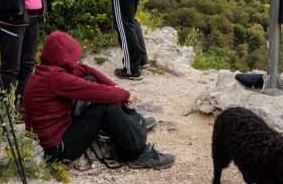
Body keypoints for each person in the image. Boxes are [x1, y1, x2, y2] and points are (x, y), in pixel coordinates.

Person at [24, 31, 175, 169]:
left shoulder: (48, 70)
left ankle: (131, 126)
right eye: (72, 58)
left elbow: (86, 70)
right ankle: (136, 154)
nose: (75, 61)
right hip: (58, 150)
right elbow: (102, 94)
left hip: (55, 137)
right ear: (62, 58)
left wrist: (114, 86)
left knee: (91, 80)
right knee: (106, 105)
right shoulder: (56, 79)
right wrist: (123, 94)